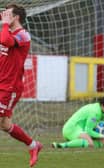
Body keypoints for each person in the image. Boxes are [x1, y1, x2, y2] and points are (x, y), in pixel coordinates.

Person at [0, 4, 42, 167]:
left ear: (16, 17)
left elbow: (5, 41)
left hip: (9, 87)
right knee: (4, 124)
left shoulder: (23, 35)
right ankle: (33, 145)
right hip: (2, 83)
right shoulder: (8, 31)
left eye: (8, 14)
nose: (4, 16)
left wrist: (4, 23)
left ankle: (33, 145)